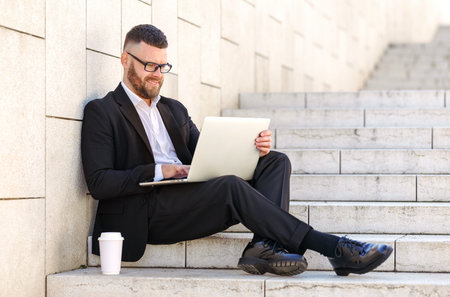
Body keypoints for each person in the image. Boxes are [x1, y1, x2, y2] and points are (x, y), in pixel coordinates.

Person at [81, 24, 392, 277]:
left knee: (275, 162)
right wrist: (163, 171)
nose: (158, 74)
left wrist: (252, 149)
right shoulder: (103, 110)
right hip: (147, 211)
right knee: (231, 185)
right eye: (150, 65)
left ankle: (262, 248)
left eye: (163, 66)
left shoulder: (174, 110)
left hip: (190, 198)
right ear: (125, 59)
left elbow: (208, 155)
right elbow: (99, 183)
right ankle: (334, 248)